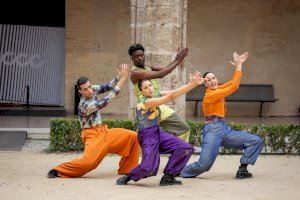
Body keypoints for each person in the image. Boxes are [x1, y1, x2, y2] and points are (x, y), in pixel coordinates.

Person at [47, 64, 139, 178]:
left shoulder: (93, 89)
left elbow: (109, 86)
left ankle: (127, 170)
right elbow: (106, 101)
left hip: (104, 132)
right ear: (80, 92)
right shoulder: (84, 105)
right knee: (88, 163)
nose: (90, 91)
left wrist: (119, 76)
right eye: (85, 89)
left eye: (90, 86)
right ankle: (58, 170)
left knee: (133, 137)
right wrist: (123, 79)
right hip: (92, 136)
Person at [180, 52, 263, 179]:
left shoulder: (217, 90)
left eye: (214, 78)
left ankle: (243, 169)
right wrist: (239, 65)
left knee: (255, 140)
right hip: (212, 130)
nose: (212, 81)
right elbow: (234, 86)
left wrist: (237, 66)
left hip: (224, 129)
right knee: (204, 166)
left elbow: (232, 83)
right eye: (208, 80)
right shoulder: (210, 95)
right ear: (205, 84)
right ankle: (177, 171)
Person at [116, 71, 206, 186]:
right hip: (147, 136)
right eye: (146, 88)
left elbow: (174, 92)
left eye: (150, 85)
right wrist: (192, 84)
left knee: (185, 148)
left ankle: (168, 176)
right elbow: (171, 96)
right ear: (141, 91)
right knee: (148, 167)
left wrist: (193, 84)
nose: (149, 88)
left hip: (158, 132)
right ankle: (128, 176)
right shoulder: (147, 102)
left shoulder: (155, 95)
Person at [128, 44, 191, 142]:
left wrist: (177, 60)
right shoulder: (135, 73)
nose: (140, 58)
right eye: (136, 56)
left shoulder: (148, 68)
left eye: (141, 55)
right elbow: (160, 74)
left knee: (184, 129)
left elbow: (166, 70)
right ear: (131, 58)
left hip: (159, 106)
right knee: (147, 140)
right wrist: (178, 60)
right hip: (148, 108)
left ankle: (179, 150)